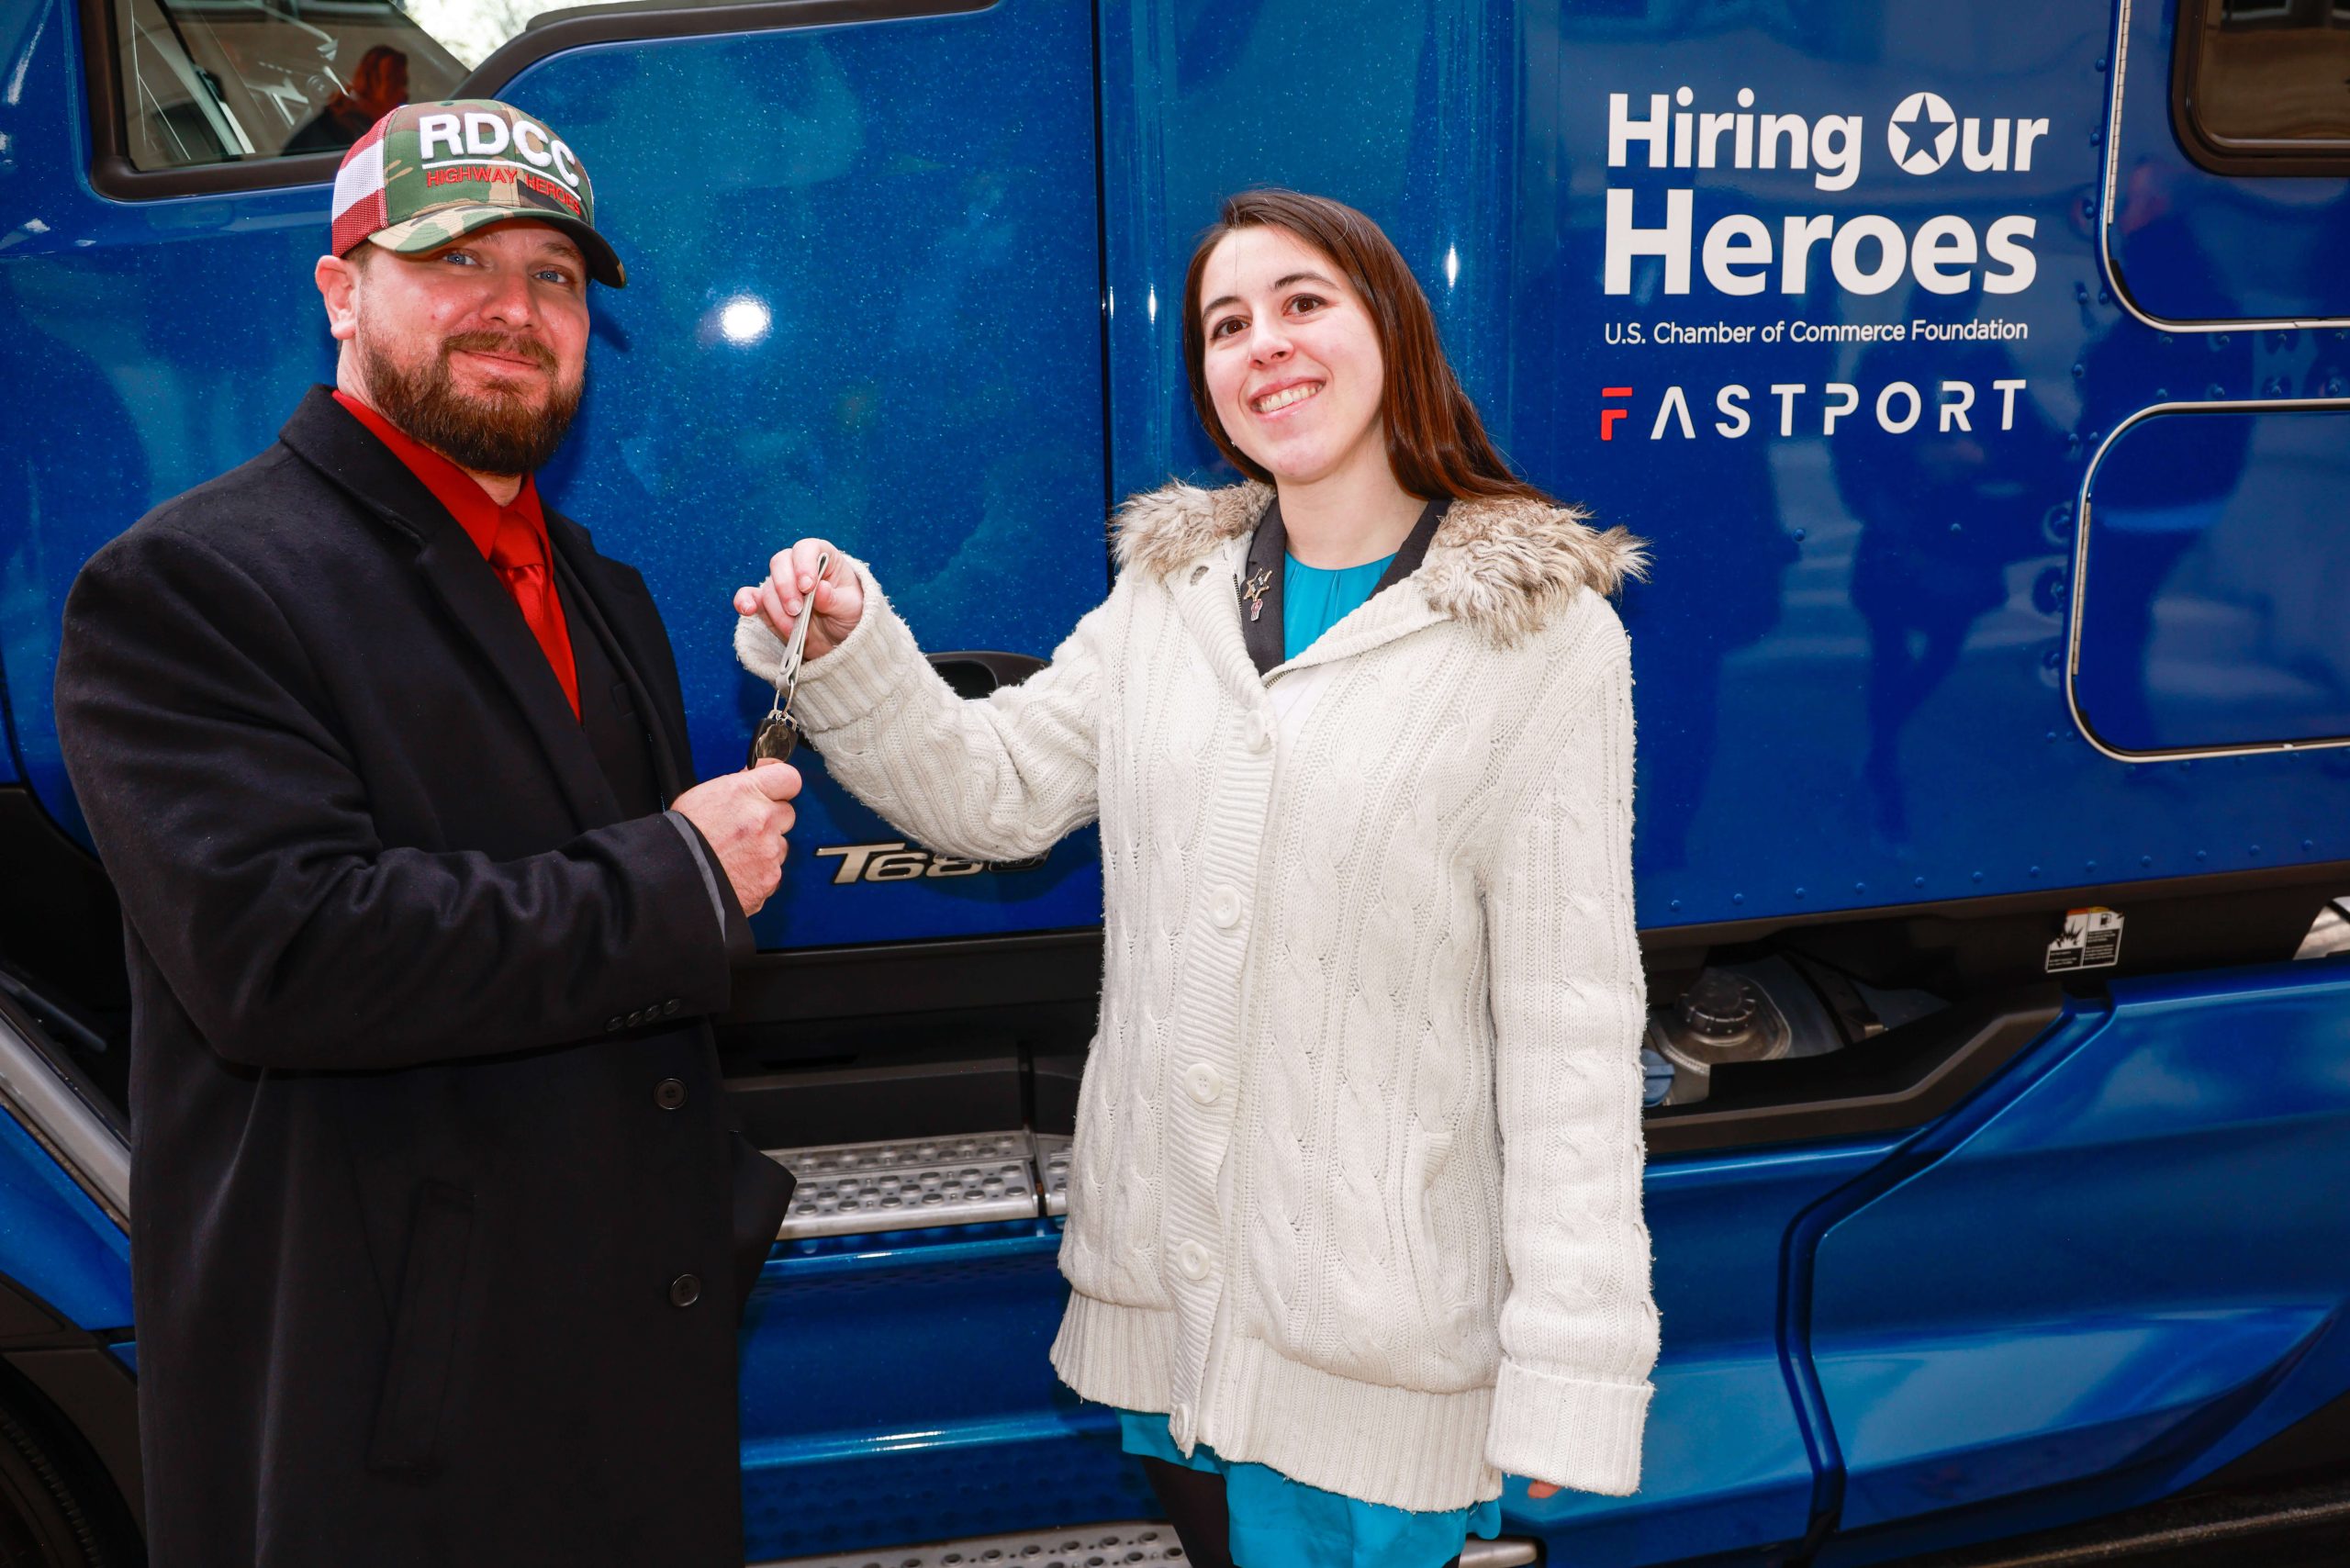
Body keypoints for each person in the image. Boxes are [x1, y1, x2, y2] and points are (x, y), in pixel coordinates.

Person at [735, 189, 1658, 1568]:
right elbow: (993, 796)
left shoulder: (1541, 641)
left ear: (1392, 332)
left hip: (1377, 1351)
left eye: (1303, 304)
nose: (1264, 346)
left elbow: (1570, 1035)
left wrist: (1572, 1368)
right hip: (1176, 1313)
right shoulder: (1171, 598)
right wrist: (859, 647)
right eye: (1229, 324)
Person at [53, 100, 798, 1568]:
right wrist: (679, 879)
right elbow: (286, 952)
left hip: (622, 1414)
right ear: (341, 292)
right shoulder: (188, 586)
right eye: (457, 261)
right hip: (391, 1439)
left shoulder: (605, 590)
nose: (514, 312)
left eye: (556, 277)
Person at [283, 44, 408, 155]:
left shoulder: (341, 118)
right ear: (373, 85)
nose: (405, 94)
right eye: (398, 83)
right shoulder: (345, 130)